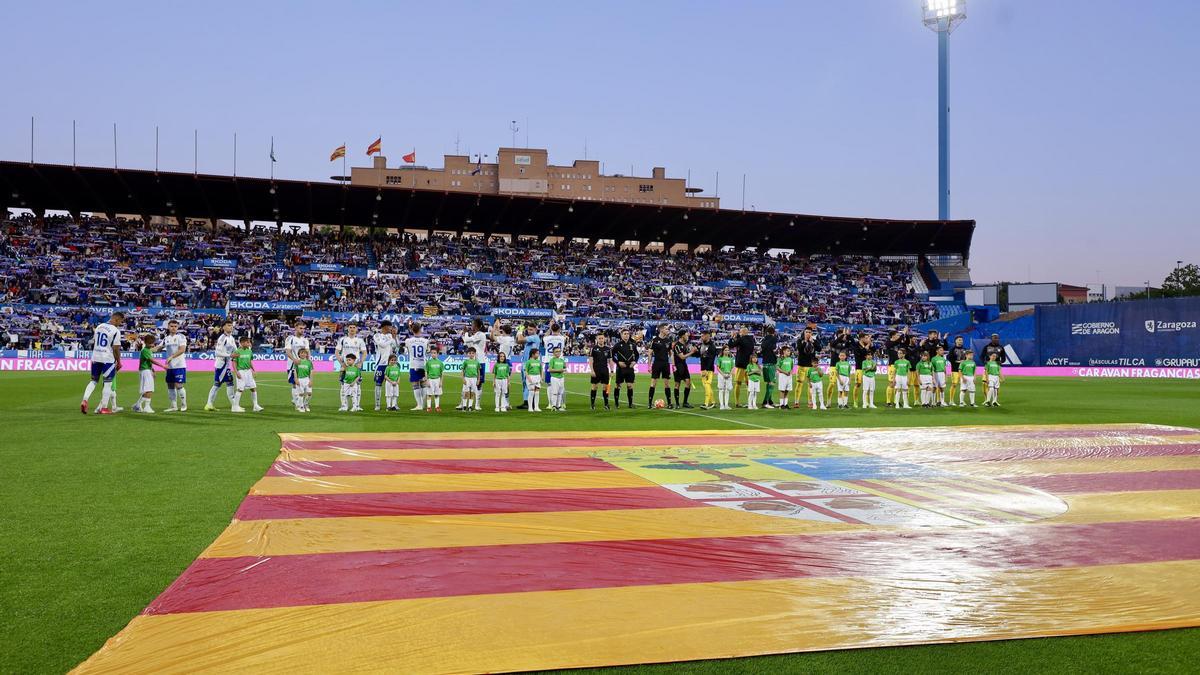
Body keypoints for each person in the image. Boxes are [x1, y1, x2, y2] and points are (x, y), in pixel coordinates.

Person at [81, 311, 125, 415]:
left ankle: (85, 399)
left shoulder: (99, 326)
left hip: (96, 357)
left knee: (93, 381)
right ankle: (104, 408)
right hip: (107, 359)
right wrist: (118, 361)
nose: (120, 324)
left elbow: (95, 342)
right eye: (120, 322)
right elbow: (116, 348)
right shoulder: (115, 331)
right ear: (116, 319)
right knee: (108, 384)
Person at [205, 321, 238, 412]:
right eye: (228, 325)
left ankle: (209, 404)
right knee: (226, 383)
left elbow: (236, 350)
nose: (231, 327)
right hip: (221, 365)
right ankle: (234, 406)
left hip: (226, 365)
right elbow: (217, 353)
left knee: (220, 384)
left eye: (231, 325)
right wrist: (230, 356)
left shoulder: (231, 338)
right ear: (223, 327)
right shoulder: (222, 338)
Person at [133, 334, 166, 414]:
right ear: (146, 343)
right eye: (150, 343)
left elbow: (149, 362)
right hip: (145, 371)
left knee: (147, 389)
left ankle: (138, 405)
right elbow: (151, 360)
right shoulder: (145, 351)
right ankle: (146, 407)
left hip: (147, 370)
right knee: (149, 389)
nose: (151, 344)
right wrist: (163, 366)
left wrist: (153, 370)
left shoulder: (148, 350)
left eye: (152, 343)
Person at [460, 319, 489, 411]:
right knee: (466, 383)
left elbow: (468, 339)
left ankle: (477, 404)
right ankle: (462, 403)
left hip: (480, 361)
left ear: (477, 326)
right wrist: (464, 334)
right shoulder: (475, 335)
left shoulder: (481, 335)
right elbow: (467, 342)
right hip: (471, 361)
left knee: (479, 384)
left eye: (472, 324)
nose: (471, 326)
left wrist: (465, 333)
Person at [162, 319, 188, 412]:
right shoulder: (166, 338)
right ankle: (173, 406)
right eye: (171, 326)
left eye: (175, 326)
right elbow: (159, 347)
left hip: (179, 365)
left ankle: (184, 404)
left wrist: (171, 357)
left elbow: (182, 350)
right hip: (170, 367)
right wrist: (148, 349)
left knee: (178, 385)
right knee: (170, 385)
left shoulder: (181, 337)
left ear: (177, 327)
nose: (173, 328)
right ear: (168, 327)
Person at [231, 335, 263, 413]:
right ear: (242, 343)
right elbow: (234, 363)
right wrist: (236, 372)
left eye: (249, 342)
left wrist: (253, 370)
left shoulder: (249, 351)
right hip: (241, 371)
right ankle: (235, 407)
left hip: (248, 371)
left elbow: (250, 361)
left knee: (253, 388)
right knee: (240, 389)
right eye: (247, 342)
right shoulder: (237, 351)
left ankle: (255, 405)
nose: (249, 343)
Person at [284, 320, 310, 412]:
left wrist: (309, 361)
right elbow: (288, 351)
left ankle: (298, 402)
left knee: (302, 383)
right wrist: (294, 360)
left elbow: (307, 352)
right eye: (300, 328)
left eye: (304, 328)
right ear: (296, 328)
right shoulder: (290, 339)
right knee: (295, 383)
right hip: (292, 365)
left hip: (303, 366)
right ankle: (297, 403)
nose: (302, 330)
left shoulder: (305, 340)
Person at [404, 322, 431, 411]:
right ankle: (422, 404)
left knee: (415, 385)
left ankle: (419, 405)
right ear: (420, 329)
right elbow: (428, 351)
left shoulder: (408, 341)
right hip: (423, 365)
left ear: (412, 330)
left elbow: (406, 351)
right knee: (423, 385)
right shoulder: (426, 341)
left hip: (413, 365)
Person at [372, 320, 399, 411]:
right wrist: (391, 339)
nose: (391, 328)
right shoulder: (377, 335)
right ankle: (377, 404)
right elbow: (382, 345)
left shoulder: (390, 336)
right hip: (380, 364)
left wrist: (394, 337)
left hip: (390, 365)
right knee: (378, 384)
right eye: (390, 326)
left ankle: (393, 404)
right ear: (384, 327)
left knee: (393, 384)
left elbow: (396, 347)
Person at [336, 324, 368, 400]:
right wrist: (342, 364)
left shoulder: (360, 340)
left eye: (354, 327)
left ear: (356, 329)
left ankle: (357, 405)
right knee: (343, 384)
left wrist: (360, 362)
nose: (352, 329)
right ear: (347, 329)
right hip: (345, 366)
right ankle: (344, 406)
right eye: (350, 327)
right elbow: (337, 352)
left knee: (358, 385)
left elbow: (364, 353)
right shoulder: (342, 339)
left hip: (356, 366)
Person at [516, 321, 542, 409]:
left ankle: (529, 402)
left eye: (531, 329)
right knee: (525, 383)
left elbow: (520, 340)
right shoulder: (531, 338)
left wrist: (520, 331)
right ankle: (527, 401)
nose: (529, 331)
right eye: (528, 330)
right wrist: (519, 333)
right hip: (526, 362)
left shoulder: (534, 337)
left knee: (529, 382)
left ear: (535, 329)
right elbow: (518, 341)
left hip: (530, 363)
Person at [647, 324, 674, 409]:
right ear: (661, 330)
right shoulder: (654, 340)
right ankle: (649, 403)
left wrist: (673, 364)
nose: (668, 331)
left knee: (667, 384)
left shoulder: (668, 341)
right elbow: (650, 353)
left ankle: (669, 403)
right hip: (657, 364)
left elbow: (671, 354)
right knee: (653, 383)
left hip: (666, 364)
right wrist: (649, 365)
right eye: (666, 329)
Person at [611, 327, 639, 408]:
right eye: (625, 334)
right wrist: (618, 362)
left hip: (630, 368)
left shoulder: (633, 345)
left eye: (628, 334)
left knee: (630, 385)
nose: (626, 335)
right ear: (621, 335)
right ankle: (616, 403)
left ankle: (630, 404)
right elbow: (612, 356)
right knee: (618, 385)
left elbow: (637, 355)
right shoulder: (617, 345)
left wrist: (634, 362)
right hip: (621, 368)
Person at [794, 327, 821, 409]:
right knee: (799, 384)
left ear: (811, 333)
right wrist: (805, 341)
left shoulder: (814, 341)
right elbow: (799, 348)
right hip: (801, 366)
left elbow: (819, 349)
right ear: (804, 333)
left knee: (810, 385)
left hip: (810, 367)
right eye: (807, 332)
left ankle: (810, 401)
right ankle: (796, 402)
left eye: (810, 332)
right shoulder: (800, 340)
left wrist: (813, 342)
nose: (808, 333)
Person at [730, 326, 755, 408]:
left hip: (740, 364)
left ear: (743, 332)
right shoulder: (751, 340)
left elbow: (731, 345)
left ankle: (737, 402)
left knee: (738, 383)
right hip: (748, 364)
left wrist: (732, 337)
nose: (739, 334)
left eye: (740, 332)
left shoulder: (740, 339)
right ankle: (749, 402)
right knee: (749, 384)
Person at [588, 333, 613, 410]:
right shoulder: (594, 349)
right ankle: (592, 404)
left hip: (605, 370)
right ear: (597, 339)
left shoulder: (608, 349)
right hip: (596, 370)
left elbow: (610, 361)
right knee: (594, 387)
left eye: (602, 338)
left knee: (605, 388)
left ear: (604, 339)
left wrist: (612, 371)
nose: (601, 340)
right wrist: (592, 370)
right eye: (599, 338)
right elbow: (591, 360)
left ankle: (606, 404)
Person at [671, 330, 695, 409]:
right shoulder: (677, 345)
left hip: (684, 366)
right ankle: (677, 403)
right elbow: (682, 357)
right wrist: (692, 352)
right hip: (678, 366)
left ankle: (685, 402)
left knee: (688, 383)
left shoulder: (684, 345)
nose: (687, 336)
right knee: (677, 384)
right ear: (682, 336)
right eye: (686, 335)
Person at [850, 332, 873, 409]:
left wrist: (870, 344)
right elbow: (860, 353)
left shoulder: (867, 345)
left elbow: (873, 351)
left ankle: (866, 402)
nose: (867, 340)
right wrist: (867, 346)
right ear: (861, 338)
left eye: (867, 338)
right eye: (866, 338)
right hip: (859, 368)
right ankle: (855, 402)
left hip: (867, 369)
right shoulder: (856, 345)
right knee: (858, 384)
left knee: (867, 386)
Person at [884, 329, 905, 407]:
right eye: (897, 335)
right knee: (891, 383)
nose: (898, 336)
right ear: (893, 336)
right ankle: (888, 402)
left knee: (898, 384)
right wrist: (903, 333)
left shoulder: (898, 344)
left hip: (899, 365)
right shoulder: (888, 343)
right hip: (892, 366)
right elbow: (896, 342)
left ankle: (896, 401)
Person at [697, 330, 718, 410]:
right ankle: (713, 402)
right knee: (706, 386)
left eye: (703, 335)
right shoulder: (702, 345)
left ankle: (706, 403)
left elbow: (711, 359)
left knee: (707, 385)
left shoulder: (712, 346)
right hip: (703, 369)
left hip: (708, 369)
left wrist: (706, 369)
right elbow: (701, 355)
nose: (701, 337)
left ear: (708, 336)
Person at [759, 325, 778, 409]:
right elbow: (773, 347)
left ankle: (770, 401)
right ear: (773, 332)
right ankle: (765, 402)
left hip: (765, 363)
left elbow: (762, 350)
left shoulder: (763, 340)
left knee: (768, 383)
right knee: (772, 382)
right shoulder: (773, 338)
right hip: (771, 363)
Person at [947, 336, 968, 408]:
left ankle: (962, 401)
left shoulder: (965, 349)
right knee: (954, 384)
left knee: (963, 386)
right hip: (955, 369)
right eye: (959, 340)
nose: (960, 341)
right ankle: (951, 400)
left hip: (963, 371)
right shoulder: (952, 349)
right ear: (955, 341)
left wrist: (965, 361)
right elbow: (949, 358)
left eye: (961, 340)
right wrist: (958, 361)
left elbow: (967, 358)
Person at [461, 347, 481, 412]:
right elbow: (462, 370)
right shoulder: (466, 362)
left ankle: (470, 406)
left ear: (475, 354)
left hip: (474, 379)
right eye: (470, 353)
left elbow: (478, 371)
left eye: (473, 353)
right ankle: (464, 406)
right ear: (468, 354)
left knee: (472, 393)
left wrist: (478, 380)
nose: (471, 354)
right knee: (466, 393)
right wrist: (463, 378)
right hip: (467, 378)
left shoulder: (477, 362)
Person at [294, 348, 314, 412]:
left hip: (307, 379)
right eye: (301, 353)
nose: (303, 354)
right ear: (299, 354)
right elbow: (295, 371)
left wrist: (311, 380)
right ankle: (301, 407)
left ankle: (306, 404)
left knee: (309, 393)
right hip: (300, 379)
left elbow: (311, 372)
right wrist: (296, 379)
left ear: (306, 354)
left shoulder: (309, 362)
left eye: (304, 353)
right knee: (301, 393)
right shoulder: (297, 361)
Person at [547, 346, 567, 411]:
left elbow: (564, 367)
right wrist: (559, 370)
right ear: (553, 353)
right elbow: (550, 369)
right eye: (556, 351)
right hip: (554, 378)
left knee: (560, 393)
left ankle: (558, 406)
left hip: (561, 378)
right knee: (554, 393)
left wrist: (564, 369)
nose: (558, 353)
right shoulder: (552, 360)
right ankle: (553, 406)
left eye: (559, 351)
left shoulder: (561, 360)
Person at [715, 346, 735, 410]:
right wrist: (723, 374)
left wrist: (730, 374)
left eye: (728, 350)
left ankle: (726, 405)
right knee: (721, 389)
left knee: (727, 390)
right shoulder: (720, 358)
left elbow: (732, 367)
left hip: (729, 375)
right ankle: (721, 405)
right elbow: (718, 367)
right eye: (725, 350)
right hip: (721, 375)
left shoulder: (731, 358)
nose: (727, 351)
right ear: (723, 351)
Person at [524, 348, 543, 412]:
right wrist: (529, 379)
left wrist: (541, 377)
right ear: (533, 354)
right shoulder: (528, 361)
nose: (538, 355)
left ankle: (536, 407)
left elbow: (541, 370)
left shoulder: (538, 361)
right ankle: (530, 407)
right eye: (537, 353)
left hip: (537, 377)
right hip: (531, 377)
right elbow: (526, 371)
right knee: (531, 392)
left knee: (537, 392)